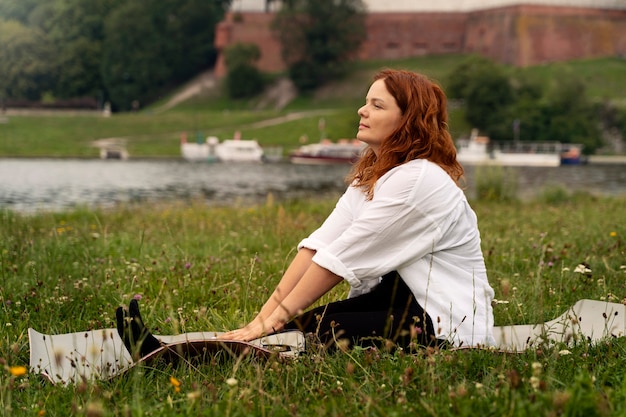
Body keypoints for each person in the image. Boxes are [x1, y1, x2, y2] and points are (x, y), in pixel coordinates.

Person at [117, 69, 495, 356]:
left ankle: (187, 360)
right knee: (300, 327)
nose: (362, 110)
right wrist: (262, 320)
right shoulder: (375, 177)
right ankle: (185, 352)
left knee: (314, 333)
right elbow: (318, 247)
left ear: (408, 120)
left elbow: (340, 260)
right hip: (398, 302)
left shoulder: (418, 180)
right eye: (367, 101)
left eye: (378, 105)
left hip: (445, 323)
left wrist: (271, 322)